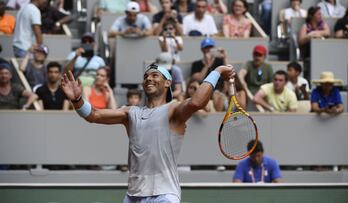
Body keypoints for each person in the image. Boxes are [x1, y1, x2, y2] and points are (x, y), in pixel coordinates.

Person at [61, 59, 235, 202]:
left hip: (164, 195)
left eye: (154, 75)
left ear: (168, 82)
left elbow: (197, 102)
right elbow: (94, 115)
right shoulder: (131, 112)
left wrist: (217, 71)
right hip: (133, 195)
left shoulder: (173, 109)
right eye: (145, 76)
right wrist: (77, 99)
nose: (149, 78)